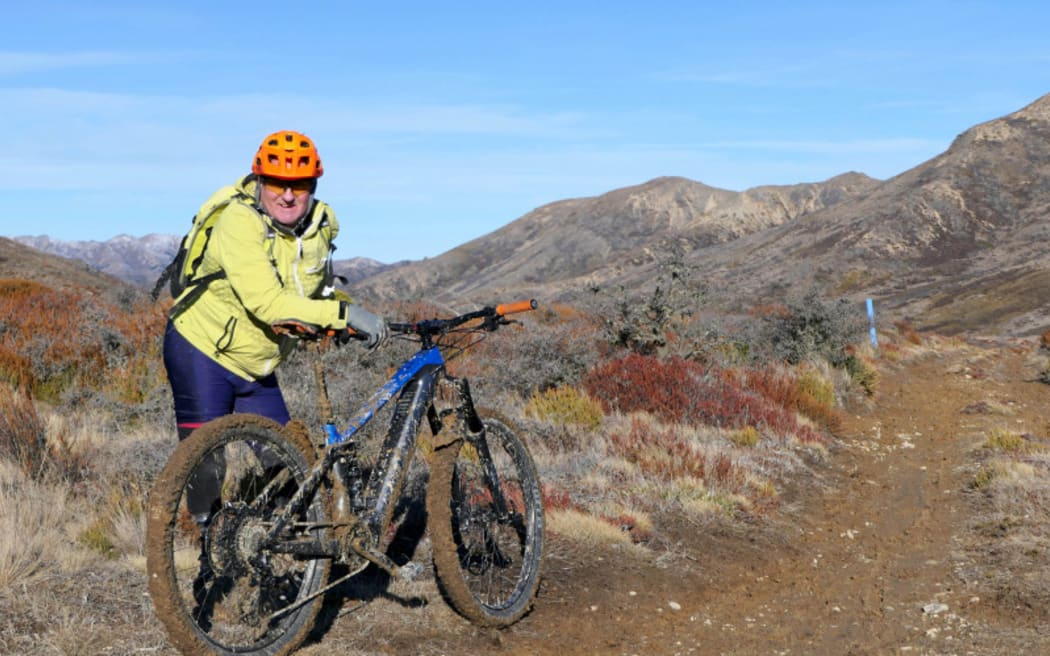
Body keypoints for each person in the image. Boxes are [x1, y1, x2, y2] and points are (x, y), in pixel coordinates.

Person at [162, 129, 387, 523]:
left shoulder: (317, 228)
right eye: (277, 183)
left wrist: (341, 311)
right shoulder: (239, 220)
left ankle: (271, 543)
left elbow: (314, 290)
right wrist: (343, 315)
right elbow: (267, 303)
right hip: (202, 350)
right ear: (260, 181)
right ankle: (207, 550)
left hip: (257, 363)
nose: (287, 195)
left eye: (298, 185)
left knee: (287, 462)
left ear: (312, 186)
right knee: (205, 465)